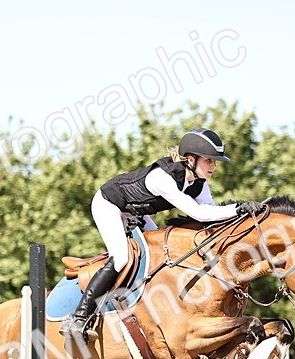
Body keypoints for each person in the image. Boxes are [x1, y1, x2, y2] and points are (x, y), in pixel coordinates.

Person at [61, 127, 266, 342]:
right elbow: (199, 213)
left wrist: (241, 213)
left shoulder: (199, 184)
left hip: (135, 212)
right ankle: (79, 316)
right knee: (121, 257)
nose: (214, 166)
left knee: (163, 253)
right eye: (209, 160)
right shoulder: (163, 178)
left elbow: (212, 216)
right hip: (109, 204)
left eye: (214, 161)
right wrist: (238, 208)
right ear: (191, 159)